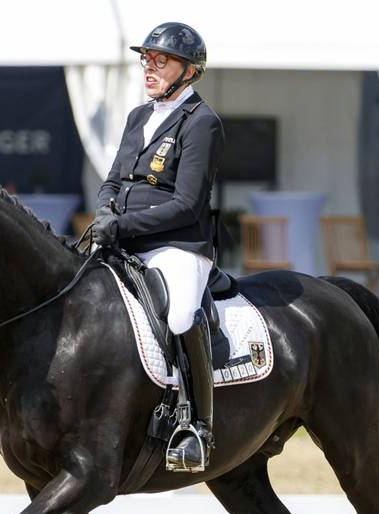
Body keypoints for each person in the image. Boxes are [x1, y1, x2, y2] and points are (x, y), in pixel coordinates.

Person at [89, 21, 224, 473]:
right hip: (124, 238)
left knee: (182, 315)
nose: (149, 67)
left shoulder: (202, 123)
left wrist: (123, 224)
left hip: (177, 245)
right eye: (147, 59)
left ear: (189, 70)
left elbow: (187, 205)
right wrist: (105, 212)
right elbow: (113, 179)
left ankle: (197, 427)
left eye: (161, 61)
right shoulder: (138, 117)